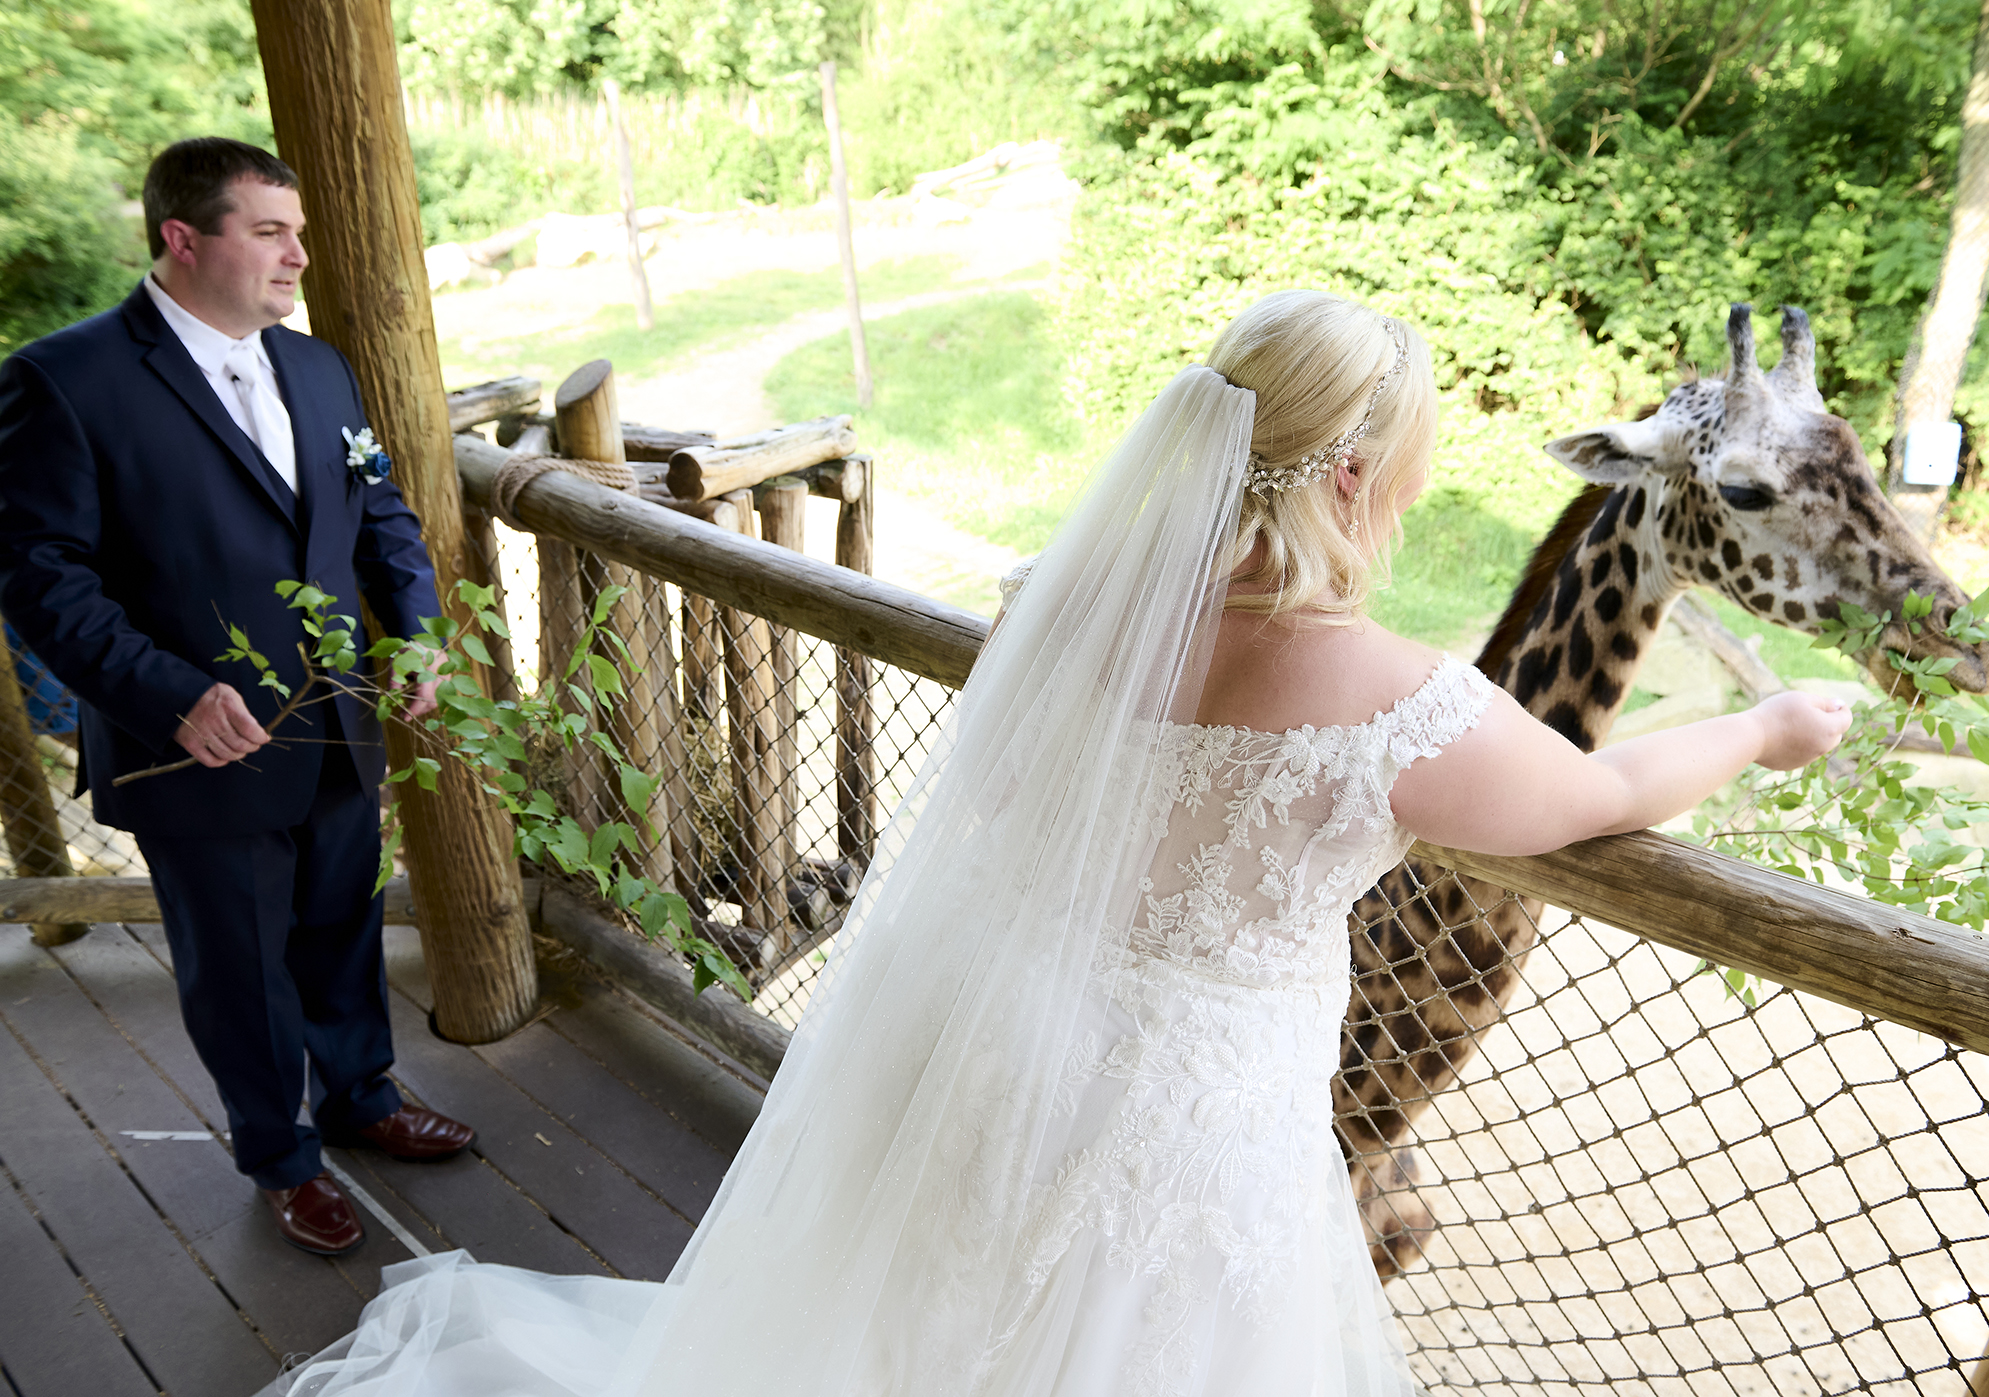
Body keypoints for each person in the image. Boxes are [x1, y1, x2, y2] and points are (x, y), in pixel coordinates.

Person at [262, 290, 1849, 1396]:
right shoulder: (1392, 694)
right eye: (1411, 469)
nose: (1416, 497)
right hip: (1204, 1107)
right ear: (1353, 476)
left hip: (1007, 1044)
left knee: (954, 1313)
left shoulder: (1069, 616)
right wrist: (1769, 729)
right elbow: (1587, 799)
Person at [0, 137, 477, 1259]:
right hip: (195, 748)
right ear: (184, 238)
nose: (298, 256)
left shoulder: (317, 368)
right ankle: (282, 1156)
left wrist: (415, 631)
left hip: (336, 724)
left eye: (297, 232)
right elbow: (37, 576)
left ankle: (362, 1097)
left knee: (341, 923)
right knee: (238, 968)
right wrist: (171, 695)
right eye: (270, 232)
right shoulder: (63, 379)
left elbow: (382, 514)